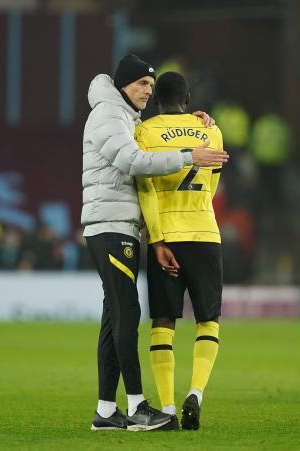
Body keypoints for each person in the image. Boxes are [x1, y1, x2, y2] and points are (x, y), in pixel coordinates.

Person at [82, 54, 228, 431]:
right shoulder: (109, 116)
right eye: (140, 84)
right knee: (131, 314)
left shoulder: (136, 122)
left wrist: (157, 234)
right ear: (122, 85)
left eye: (151, 86)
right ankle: (137, 406)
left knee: (119, 317)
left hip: (139, 229)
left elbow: (146, 178)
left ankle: (106, 411)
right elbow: (134, 162)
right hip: (118, 225)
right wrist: (190, 150)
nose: (146, 91)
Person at [136, 71, 225, 431]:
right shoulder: (211, 130)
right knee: (208, 321)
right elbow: (212, 183)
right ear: (188, 100)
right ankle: (197, 393)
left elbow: (145, 188)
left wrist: (156, 239)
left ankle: (169, 408)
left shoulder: (144, 132)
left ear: (156, 99)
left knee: (163, 322)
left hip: (167, 236)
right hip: (205, 233)